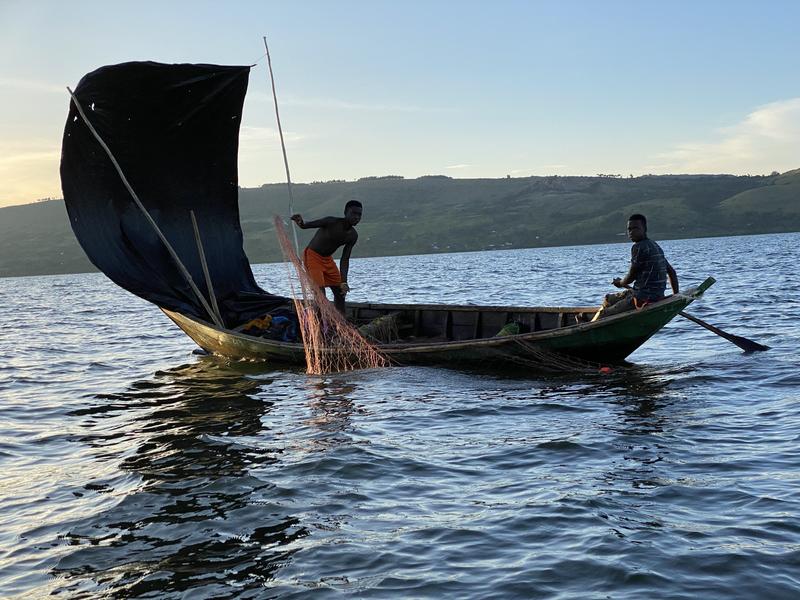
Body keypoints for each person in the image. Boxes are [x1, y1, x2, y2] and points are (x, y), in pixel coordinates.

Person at [592, 214, 679, 321]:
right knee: (609, 299)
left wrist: (620, 283)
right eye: (629, 229)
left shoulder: (638, 247)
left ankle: (589, 325)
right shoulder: (654, 245)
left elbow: (631, 277)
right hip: (650, 294)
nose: (631, 232)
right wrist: (676, 296)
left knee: (603, 315)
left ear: (644, 229)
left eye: (636, 228)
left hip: (642, 298)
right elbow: (672, 272)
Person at [291, 200, 362, 314]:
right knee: (320, 294)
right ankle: (320, 323)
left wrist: (344, 281)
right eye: (354, 213)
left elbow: (345, 258)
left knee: (340, 292)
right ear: (345, 212)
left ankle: (341, 322)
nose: (357, 217)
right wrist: (301, 222)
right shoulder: (331, 221)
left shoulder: (353, 235)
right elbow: (306, 225)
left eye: (359, 215)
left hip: (327, 260)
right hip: (312, 257)